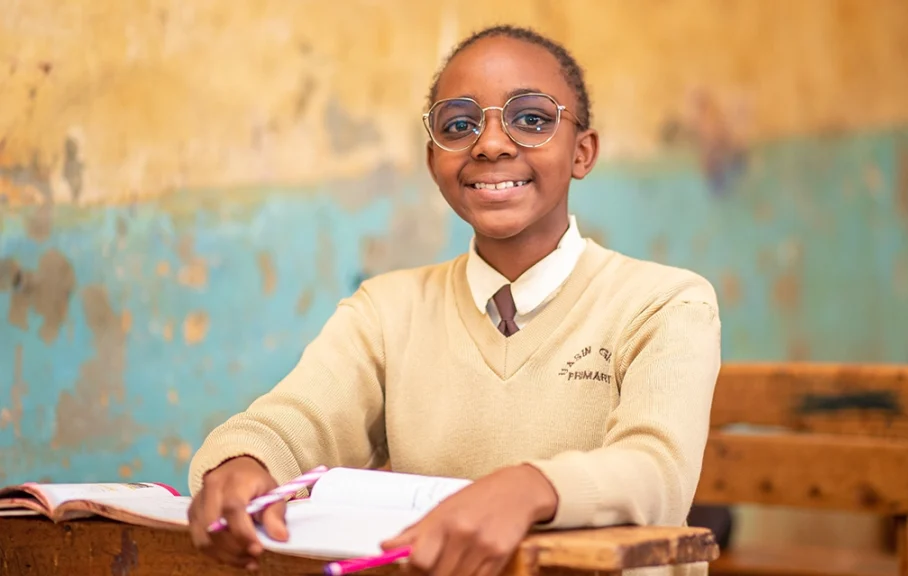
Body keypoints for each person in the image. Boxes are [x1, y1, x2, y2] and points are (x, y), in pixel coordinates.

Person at [186, 24, 722, 576]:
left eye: (532, 119)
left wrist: (528, 488)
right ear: (433, 159)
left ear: (582, 152)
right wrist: (242, 462)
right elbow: (294, 420)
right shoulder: (387, 312)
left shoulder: (664, 303)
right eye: (460, 125)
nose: (490, 144)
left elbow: (658, 472)